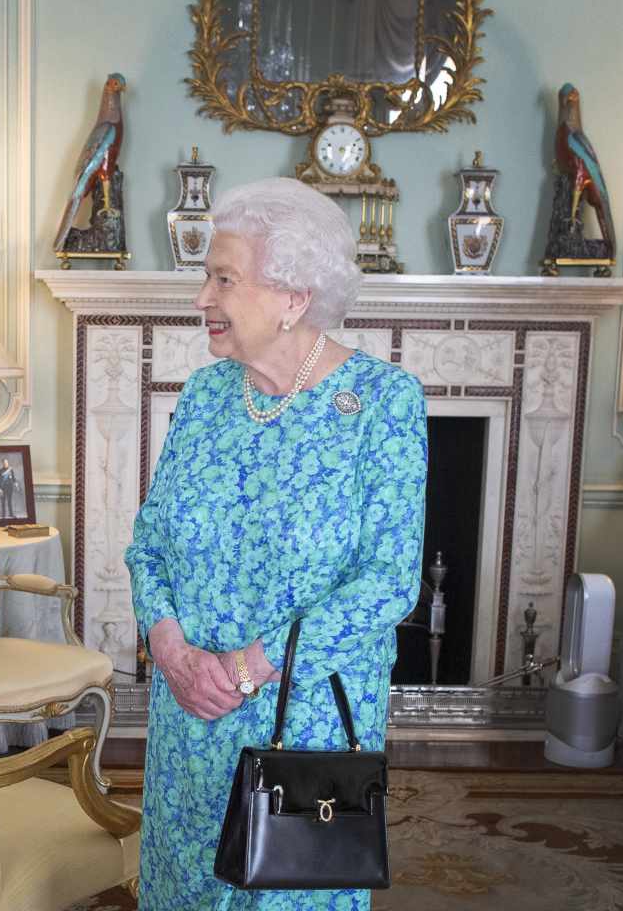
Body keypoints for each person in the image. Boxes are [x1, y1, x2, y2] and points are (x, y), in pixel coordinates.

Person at [126, 177, 427, 910]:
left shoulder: (383, 406)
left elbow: (388, 582)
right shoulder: (203, 397)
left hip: (305, 728)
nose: (202, 297)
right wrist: (170, 650)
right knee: (183, 887)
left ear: (295, 297)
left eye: (222, 278)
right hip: (189, 711)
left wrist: (246, 669)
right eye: (206, 276)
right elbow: (148, 544)